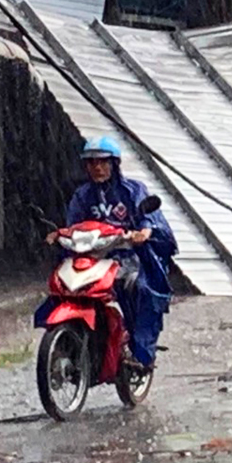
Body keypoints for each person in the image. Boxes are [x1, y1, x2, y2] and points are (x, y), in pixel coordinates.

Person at [47, 136, 177, 370]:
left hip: (128, 257)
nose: (97, 167)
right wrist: (60, 234)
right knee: (64, 286)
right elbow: (73, 224)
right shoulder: (82, 195)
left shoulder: (133, 190)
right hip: (93, 258)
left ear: (114, 164)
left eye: (103, 162)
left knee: (139, 289)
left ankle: (139, 349)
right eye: (91, 162)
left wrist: (144, 230)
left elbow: (149, 217)